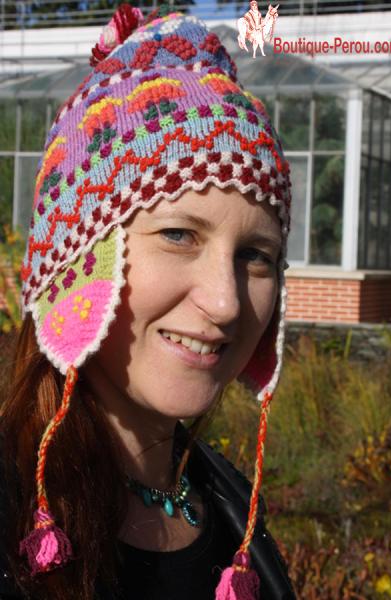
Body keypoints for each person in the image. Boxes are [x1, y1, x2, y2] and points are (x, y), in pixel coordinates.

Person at [0, 3, 295, 599]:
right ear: (76, 258)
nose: (227, 302)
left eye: (255, 255)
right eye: (179, 235)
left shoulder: (229, 503)